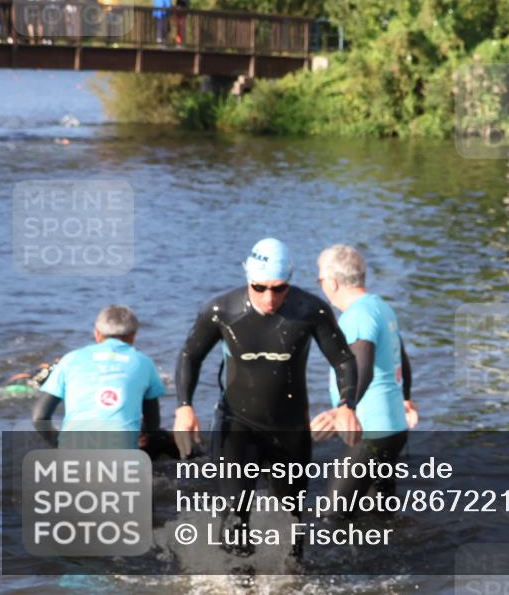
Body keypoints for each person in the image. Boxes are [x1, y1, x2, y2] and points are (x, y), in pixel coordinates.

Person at [173, 238, 362, 556]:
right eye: (259, 288)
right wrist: (184, 407)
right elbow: (190, 355)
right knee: (234, 517)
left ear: (290, 281)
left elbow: (344, 359)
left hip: (289, 430)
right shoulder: (221, 310)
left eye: (279, 288)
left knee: (291, 525)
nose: (269, 298)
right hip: (237, 425)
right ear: (248, 277)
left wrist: (346, 405)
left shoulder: (310, 310)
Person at [310, 245, 418, 510]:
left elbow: (363, 367)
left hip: (371, 429)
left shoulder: (358, 315)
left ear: (332, 282)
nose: (322, 285)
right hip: (393, 427)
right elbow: (402, 361)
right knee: (379, 515)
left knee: (332, 515)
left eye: (320, 279)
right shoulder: (380, 306)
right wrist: (405, 399)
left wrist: (344, 409)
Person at [31, 305, 165, 451]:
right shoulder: (143, 362)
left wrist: (60, 445)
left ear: (97, 334)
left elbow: (39, 417)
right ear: (133, 335)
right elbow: (153, 423)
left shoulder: (70, 359)